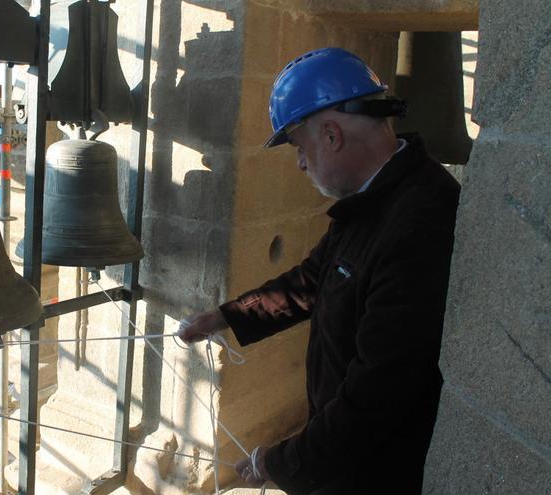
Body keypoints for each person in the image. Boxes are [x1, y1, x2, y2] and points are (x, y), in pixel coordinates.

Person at [178, 47, 461, 495]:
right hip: (348, 459)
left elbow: (378, 393)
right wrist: (227, 317)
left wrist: (285, 460)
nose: (300, 163)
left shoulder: (419, 220)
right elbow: (312, 282)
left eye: (299, 146)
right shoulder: (377, 199)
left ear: (331, 135)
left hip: (378, 471)